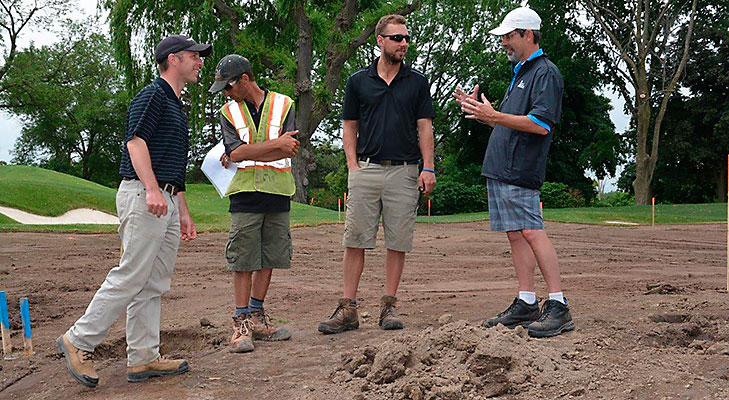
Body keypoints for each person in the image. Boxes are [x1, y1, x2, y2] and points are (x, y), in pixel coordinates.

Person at [56, 35, 211, 387]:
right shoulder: (153, 95)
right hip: (144, 195)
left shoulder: (176, 103)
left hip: (166, 198)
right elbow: (135, 141)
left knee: (153, 281)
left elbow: (173, 163)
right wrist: (153, 189)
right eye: (193, 56)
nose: (199, 62)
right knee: (131, 275)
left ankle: (143, 358)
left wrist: (182, 210)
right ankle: (78, 340)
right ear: (173, 60)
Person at [454, 7, 573, 338]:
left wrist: (494, 116)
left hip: (521, 169)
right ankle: (526, 301)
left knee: (532, 231)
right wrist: (482, 113)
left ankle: (559, 305)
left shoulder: (545, 73)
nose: (504, 42)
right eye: (503, 37)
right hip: (503, 168)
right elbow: (510, 119)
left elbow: (540, 123)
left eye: (509, 36)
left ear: (528, 35)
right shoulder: (522, 72)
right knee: (516, 233)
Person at [318, 14, 436, 334]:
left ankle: (388, 307)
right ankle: (348, 309)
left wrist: (428, 167)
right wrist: (352, 165)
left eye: (406, 38)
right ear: (380, 41)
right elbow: (349, 126)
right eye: (397, 38)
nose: (404, 44)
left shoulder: (417, 82)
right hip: (366, 170)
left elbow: (424, 127)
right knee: (355, 240)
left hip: (405, 171)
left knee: (397, 242)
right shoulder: (358, 81)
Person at [209, 54, 298, 353]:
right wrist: (275, 145)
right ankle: (240, 321)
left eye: (229, 85)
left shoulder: (285, 104)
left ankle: (257, 316)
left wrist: (251, 151)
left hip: (278, 191)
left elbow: (291, 148)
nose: (226, 92)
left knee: (269, 257)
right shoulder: (228, 112)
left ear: (245, 79)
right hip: (244, 193)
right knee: (244, 259)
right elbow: (234, 153)